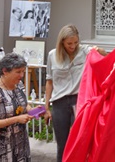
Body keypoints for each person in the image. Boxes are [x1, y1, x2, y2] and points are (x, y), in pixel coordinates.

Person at [44, 24, 107, 162]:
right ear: (62, 42)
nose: (73, 46)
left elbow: (105, 55)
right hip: (59, 102)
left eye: (75, 42)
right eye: (69, 43)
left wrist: (99, 50)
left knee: (81, 141)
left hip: (79, 100)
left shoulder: (85, 51)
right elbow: (49, 81)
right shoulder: (52, 55)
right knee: (62, 144)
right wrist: (46, 107)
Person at [0, 53, 34, 161]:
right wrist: (16, 119)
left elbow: (23, 103)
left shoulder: (19, 85)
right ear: (5, 71)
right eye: (18, 72)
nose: (21, 75)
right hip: (2, 147)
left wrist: (31, 110)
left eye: (23, 71)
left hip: (21, 144)